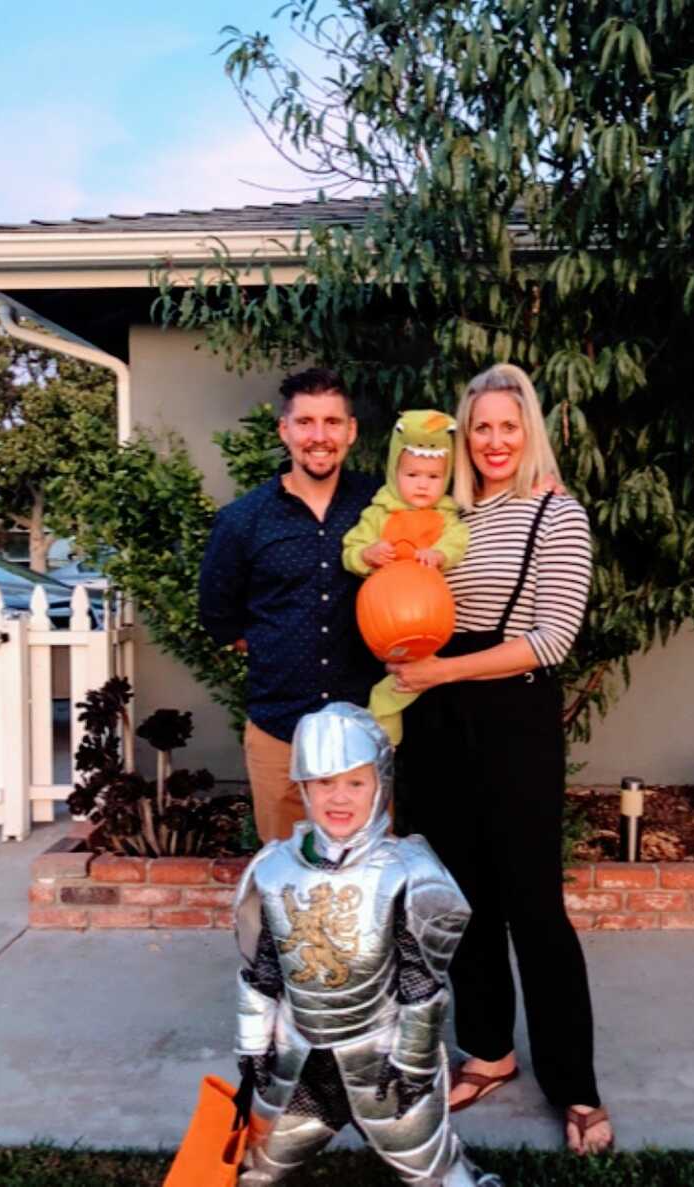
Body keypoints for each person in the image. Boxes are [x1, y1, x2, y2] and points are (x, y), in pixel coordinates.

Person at [389, 363, 614, 1155]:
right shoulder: (441, 515)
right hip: (438, 717)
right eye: (480, 427)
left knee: (533, 905)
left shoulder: (557, 513)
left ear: (530, 433)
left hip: (513, 714)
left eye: (507, 427)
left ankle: (576, 1085)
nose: (493, 441)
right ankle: (490, 1048)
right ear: (463, 434)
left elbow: (551, 638)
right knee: (464, 898)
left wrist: (439, 670)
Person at [231, 702, 503, 1186]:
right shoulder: (272, 869)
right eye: (324, 783)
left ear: (380, 785)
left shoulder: (408, 871)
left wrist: (414, 1062)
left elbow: (422, 984)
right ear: (304, 787)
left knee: (435, 1172)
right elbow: (265, 972)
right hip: (297, 1056)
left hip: (381, 1056)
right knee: (257, 1168)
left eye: (355, 783)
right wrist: (253, 1046)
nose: (340, 798)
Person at [198, 369, 381, 843]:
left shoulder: (382, 506)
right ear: (284, 430)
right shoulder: (244, 520)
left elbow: (447, 512)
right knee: (285, 877)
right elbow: (219, 616)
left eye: (332, 422)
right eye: (305, 422)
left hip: (364, 728)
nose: (319, 437)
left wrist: (537, 485)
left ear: (351, 431)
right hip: (280, 731)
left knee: (364, 879)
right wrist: (275, 647)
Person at [342, 409, 469, 745]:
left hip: (430, 617)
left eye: (433, 477)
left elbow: (457, 542)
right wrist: (366, 555)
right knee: (396, 676)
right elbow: (350, 550)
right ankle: (383, 737)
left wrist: (440, 554)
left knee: (410, 680)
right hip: (386, 618)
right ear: (394, 472)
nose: (423, 484)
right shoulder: (377, 513)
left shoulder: (447, 517)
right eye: (412, 474)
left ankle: (386, 730)